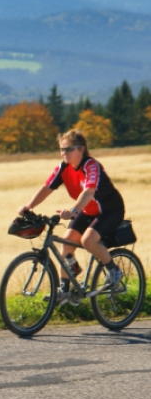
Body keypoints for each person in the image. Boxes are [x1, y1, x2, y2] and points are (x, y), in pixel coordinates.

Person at [18, 129, 125, 306]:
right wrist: (29, 206)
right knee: (66, 243)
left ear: (81, 149)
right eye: (61, 149)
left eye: (69, 149)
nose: (64, 153)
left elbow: (89, 191)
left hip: (110, 210)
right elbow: (46, 188)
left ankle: (113, 271)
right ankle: (65, 289)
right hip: (88, 211)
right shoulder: (62, 168)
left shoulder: (91, 166)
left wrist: (73, 210)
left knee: (88, 240)